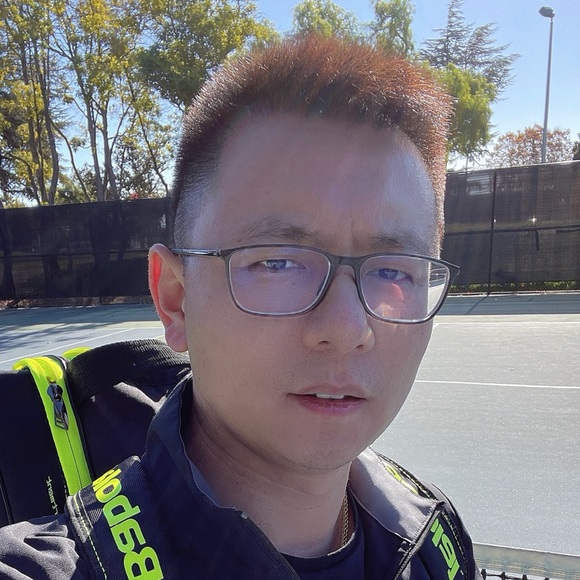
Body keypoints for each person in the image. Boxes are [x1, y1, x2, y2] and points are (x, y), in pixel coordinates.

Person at [0, 35, 482, 579]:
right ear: (176, 300)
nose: (348, 327)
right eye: (278, 262)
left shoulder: (436, 541)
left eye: (394, 270)